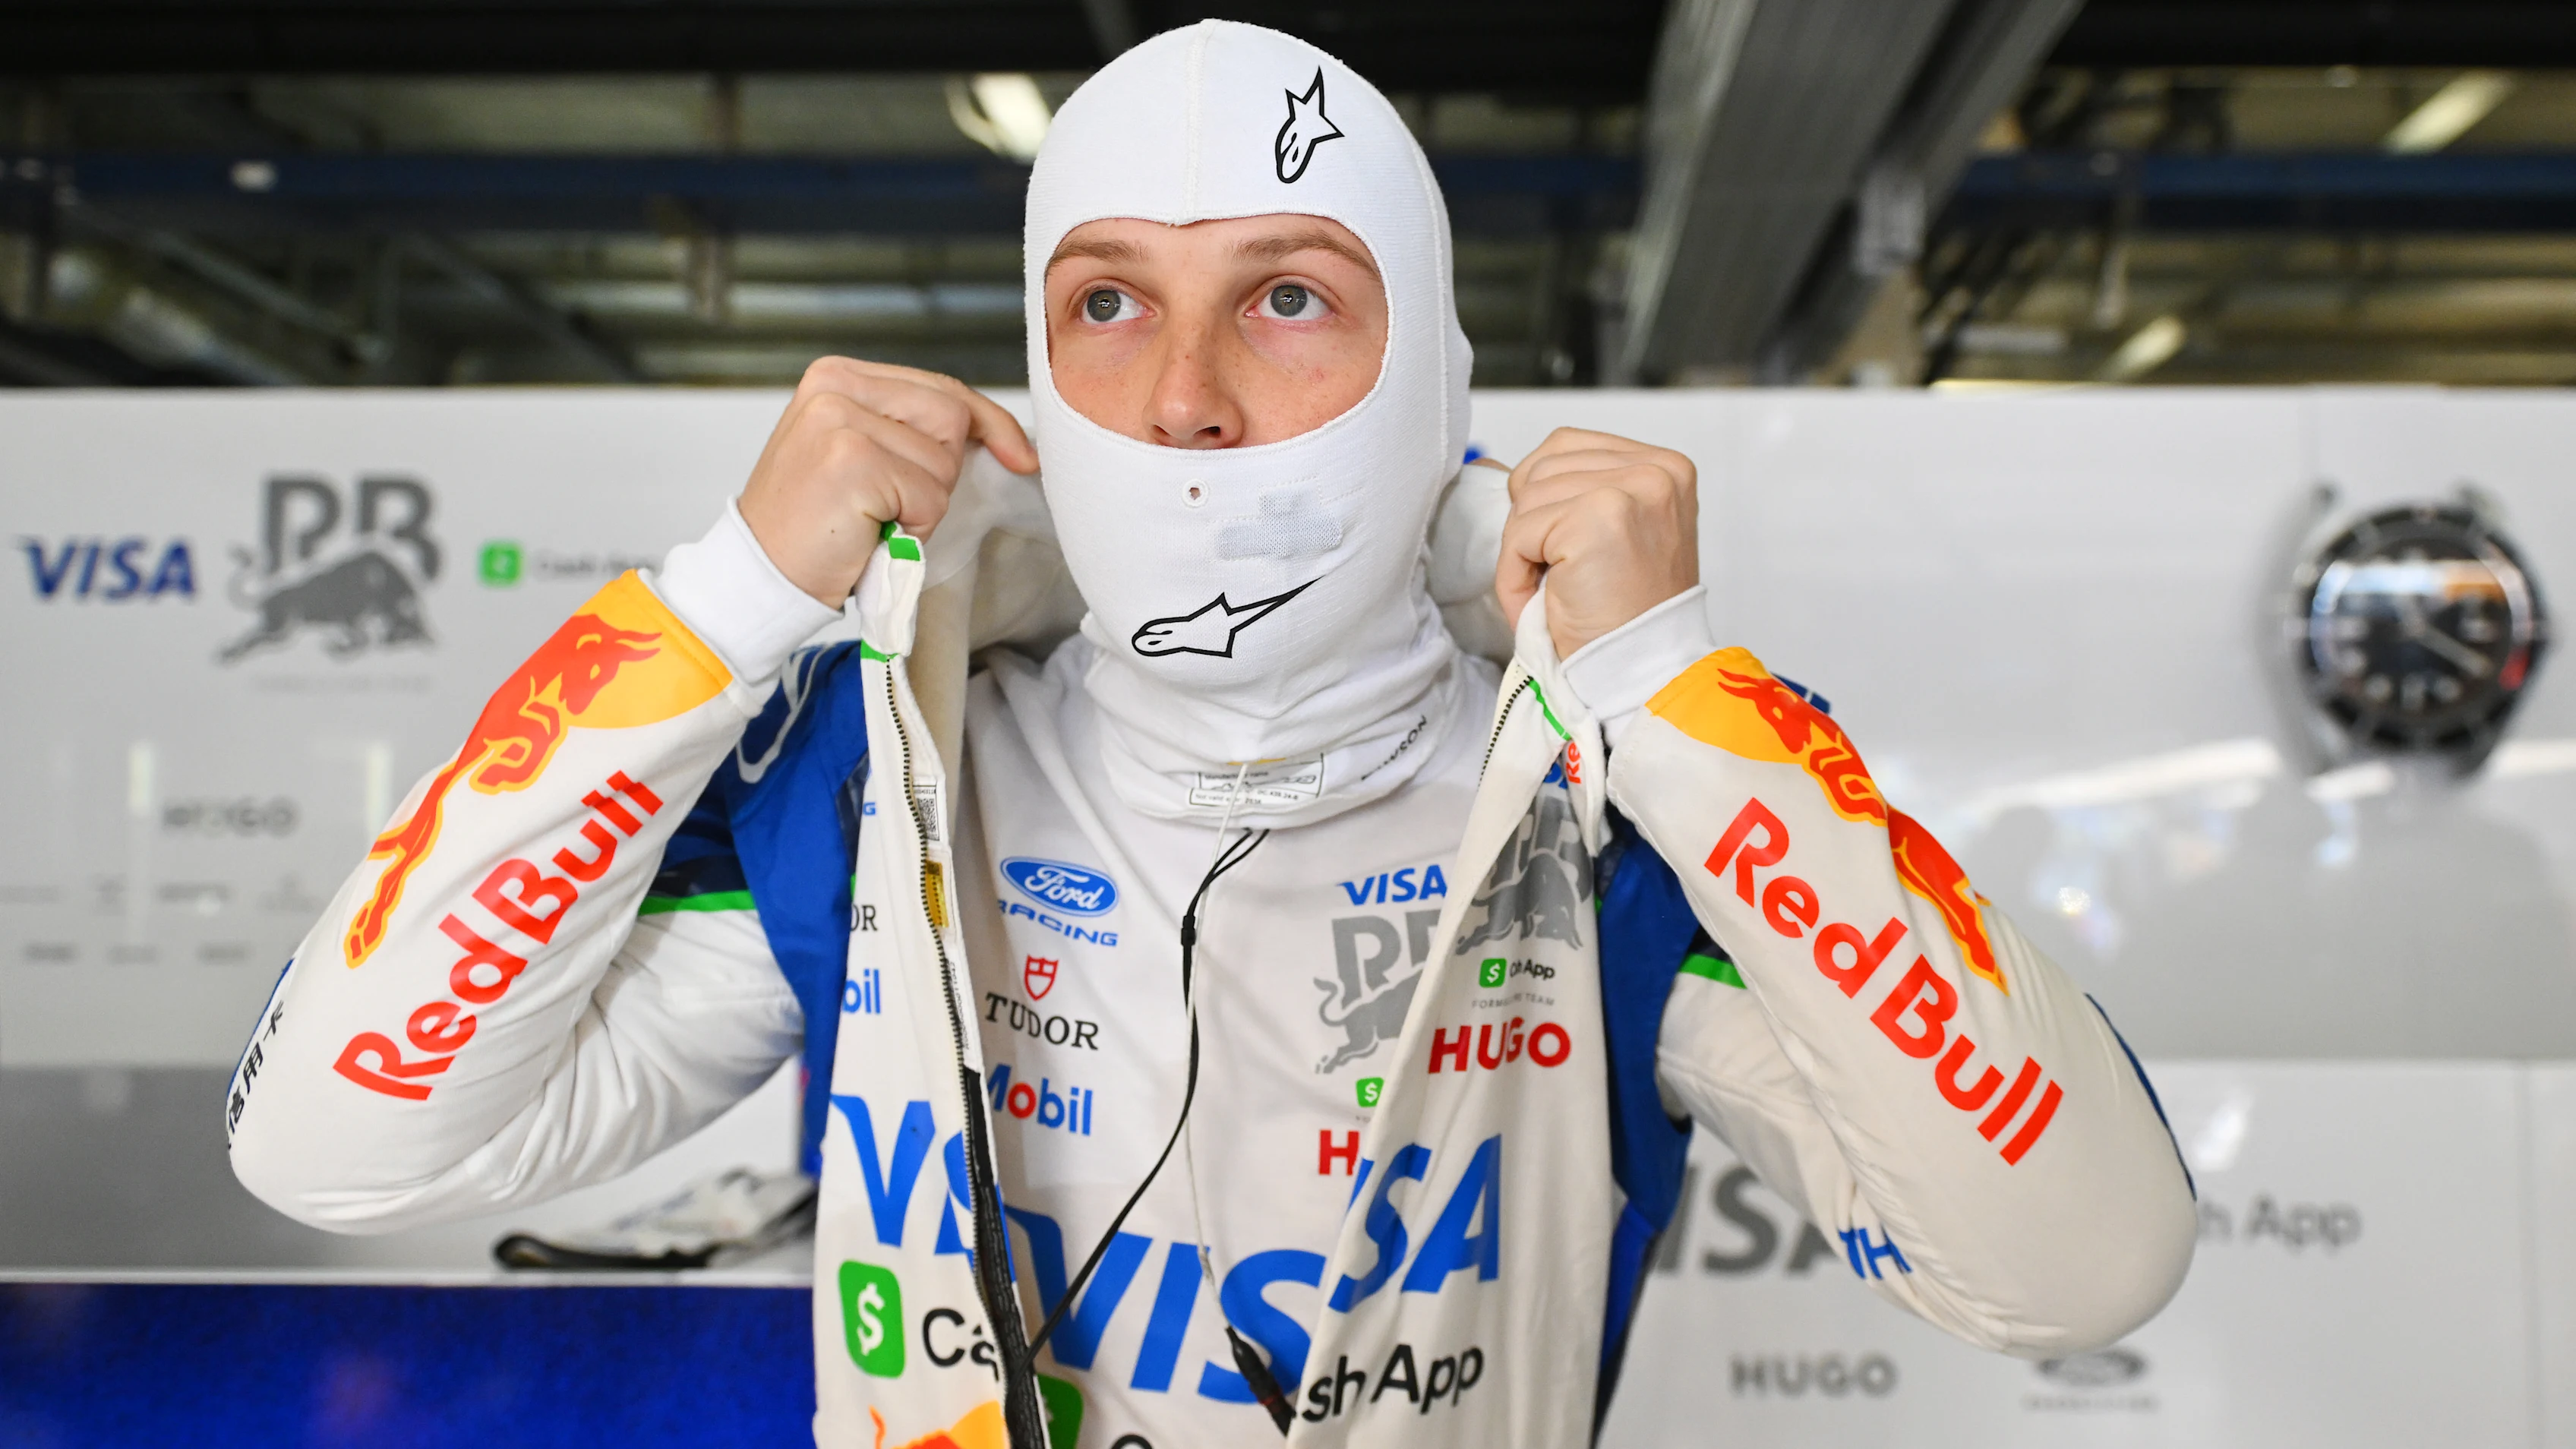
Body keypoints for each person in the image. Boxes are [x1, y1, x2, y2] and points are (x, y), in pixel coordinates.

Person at [226, 21, 2195, 1449]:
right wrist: (729, 596)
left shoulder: (1613, 823)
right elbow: (338, 1141)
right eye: (1105, 301)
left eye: (1286, 298)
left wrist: (1686, 700)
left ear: (1433, 375)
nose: (1179, 398)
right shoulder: (875, 784)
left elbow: (2081, 1260)